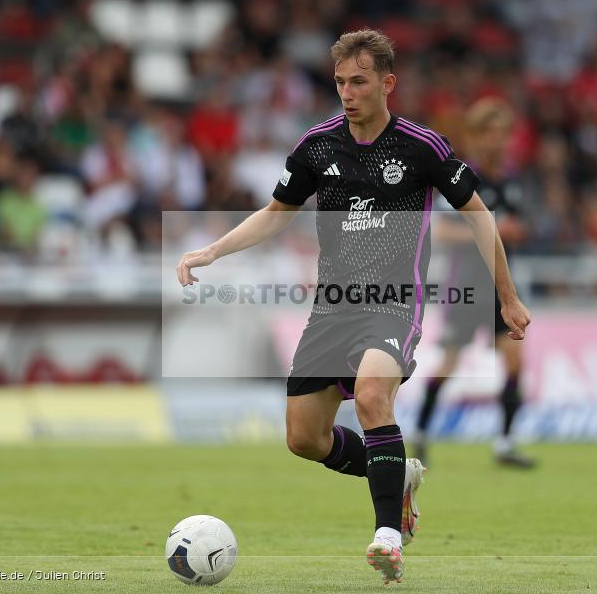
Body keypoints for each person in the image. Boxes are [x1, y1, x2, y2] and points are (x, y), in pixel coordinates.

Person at [177, 30, 530, 585]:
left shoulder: (422, 147)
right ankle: (399, 474)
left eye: (359, 81)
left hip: (394, 304)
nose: (347, 92)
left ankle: (389, 535)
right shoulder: (317, 146)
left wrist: (507, 297)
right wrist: (213, 250)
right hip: (332, 308)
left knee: (370, 395)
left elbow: (481, 217)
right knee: (304, 439)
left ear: (387, 84)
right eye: (340, 82)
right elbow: (275, 213)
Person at [412, 98, 536, 469]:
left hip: (501, 288)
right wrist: (491, 230)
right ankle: (420, 433)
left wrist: (513, 232)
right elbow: (444, 229)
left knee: (514, 360)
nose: (496, 142)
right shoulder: (461, 177)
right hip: (465, 285)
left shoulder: (512, 181)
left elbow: (517, 226)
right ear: (476, 137)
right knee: (448, 363)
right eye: (489, 134)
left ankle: (505, 443)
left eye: (502, 134)